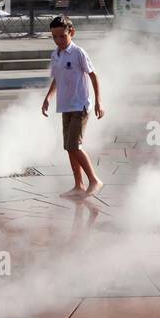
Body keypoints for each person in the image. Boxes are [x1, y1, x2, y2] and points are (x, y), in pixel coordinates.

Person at [42, 15, 104, 198]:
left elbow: (93, 76)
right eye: (54, 37)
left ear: (72, 33)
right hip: (65, 106)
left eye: (62, 36)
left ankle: (94, 180)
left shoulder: (79, 53)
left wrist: (99, 101)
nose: (58, 40)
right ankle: (79, 185)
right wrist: (48, 98)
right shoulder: (56, 55)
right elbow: (56, 79)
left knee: (74, 146)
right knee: (68, 147)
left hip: (80, 106)